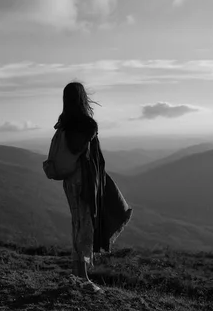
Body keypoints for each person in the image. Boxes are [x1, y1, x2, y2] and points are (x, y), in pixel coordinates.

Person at [53, 81, 132, 293]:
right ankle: (83, 277)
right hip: (84, 181)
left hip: (70, 181)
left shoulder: (64, 124)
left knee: (78, 224)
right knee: (85, 226)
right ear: (82, 98)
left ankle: (77, 273)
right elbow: (82, 149)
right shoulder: (86, 125)